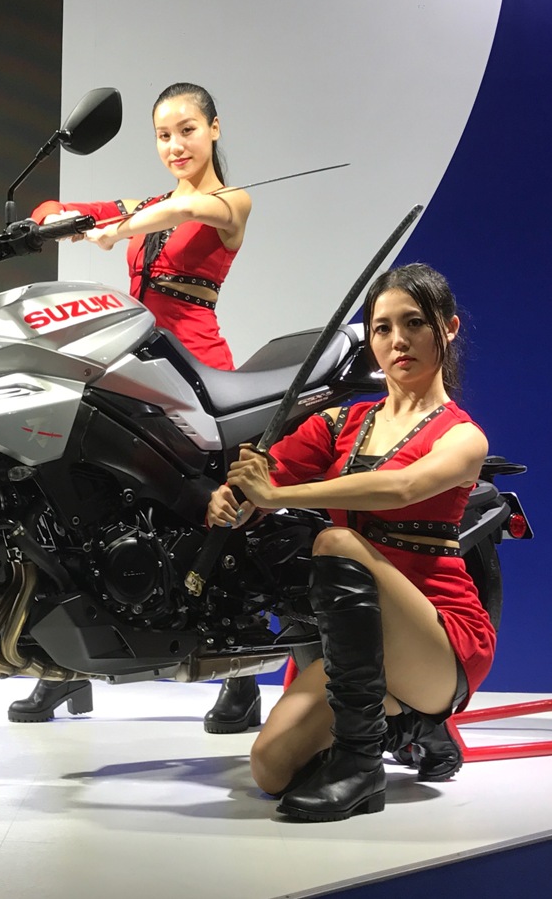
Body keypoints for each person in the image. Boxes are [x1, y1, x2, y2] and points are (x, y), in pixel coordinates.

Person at [8, 81, 260, 732]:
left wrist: (117, 226)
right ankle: (64, 667)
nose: (175, 145)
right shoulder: (149, 203)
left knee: (212, 515)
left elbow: (186, 208)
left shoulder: (231, 201)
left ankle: (242, 678)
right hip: (133, 362)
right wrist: (52, 215)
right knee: (75, 500)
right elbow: (73, 208)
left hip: (195, 367)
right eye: (162, 135)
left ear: (214, 129)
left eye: (187, 130)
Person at [206, 263, 493, 821]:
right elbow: (265, 473)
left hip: (443, 639)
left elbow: (402, 487)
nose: (398, 340)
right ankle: (406, 726)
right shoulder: (340, 423)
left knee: (336, 541)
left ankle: (361, 766)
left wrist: (277, 494)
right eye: (382, 328)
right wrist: (232, 498)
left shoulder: (462, 437)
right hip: (364, 650)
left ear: (448, 328)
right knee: (269, 769)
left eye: (414, 323)